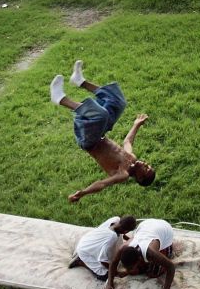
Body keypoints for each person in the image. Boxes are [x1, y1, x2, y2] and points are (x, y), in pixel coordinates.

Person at [50, 60, 156, 203]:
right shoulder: (132, 158)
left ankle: (60, 99)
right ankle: (80, 81)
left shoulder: (122, 174)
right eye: (148, 165)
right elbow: (128, 141)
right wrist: (136, 125)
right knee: (118, 102)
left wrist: (82, 193)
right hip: (99, 134)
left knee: (102, 115)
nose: (146, 164)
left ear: (140, 177)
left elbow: (102, 184)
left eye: (147, 169)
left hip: (88, 141)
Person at [103, 218, 176, 289]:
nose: (128, 271)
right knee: (134, 271)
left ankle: (146, 264)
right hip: (146, 224)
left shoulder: (151, 252)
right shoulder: (123, 248)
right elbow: (113, 262)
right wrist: (109, 284)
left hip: (165, 228)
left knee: (153, 273)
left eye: (131, 267)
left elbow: (171, 267)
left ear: (139, 259)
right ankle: (140, 267)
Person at [69, 215, 137, 280]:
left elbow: (122, 234)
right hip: (85, 250)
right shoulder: (111, 237)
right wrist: (116, 273)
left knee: (117, 250)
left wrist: (129, 240)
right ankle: (80, 262)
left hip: (88, 241)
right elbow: (102, 260)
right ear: (126, 231)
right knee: (105, 275)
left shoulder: (116, 219)